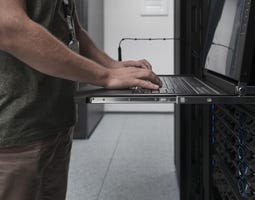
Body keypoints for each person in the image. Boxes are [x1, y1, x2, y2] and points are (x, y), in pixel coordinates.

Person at [0, 0, 162, 199]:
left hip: (55, 121)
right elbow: (9, 27)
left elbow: (73, 30)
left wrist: (111, 65)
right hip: (14, 129)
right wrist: (105, 76)